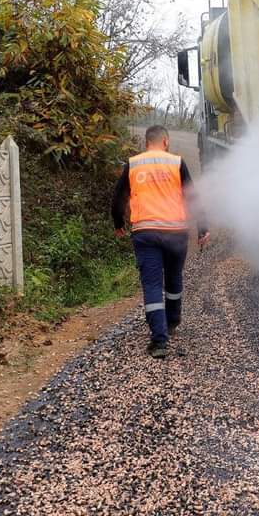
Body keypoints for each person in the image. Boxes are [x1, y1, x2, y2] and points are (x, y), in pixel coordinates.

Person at [112, 125, 210, 358]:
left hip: (146, 233)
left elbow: (118, 198)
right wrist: (202, 227)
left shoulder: (134, 164)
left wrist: (118, 224)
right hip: (176, 231)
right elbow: (192, 196)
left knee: (153, 284)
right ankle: (173, 321)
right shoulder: (177, 162)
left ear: (147, 143)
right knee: (174, 278)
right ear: (165, 141)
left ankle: (159, 341)